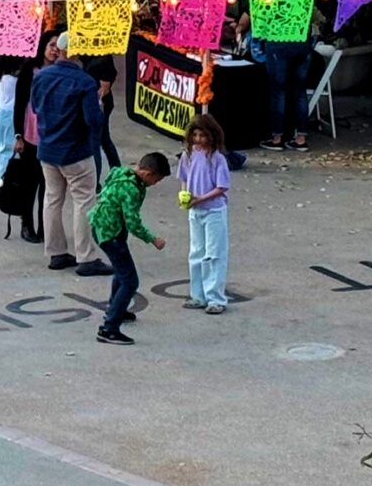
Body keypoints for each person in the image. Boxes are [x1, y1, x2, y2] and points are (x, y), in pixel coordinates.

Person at [28, 33, 107, 276]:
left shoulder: (42, 76)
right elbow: (92, 119)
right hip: (76, 150)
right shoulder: (84, 82)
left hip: (48, 147)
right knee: (84, 201)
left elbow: (35, 106)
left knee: (52, 200)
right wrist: (99, 108)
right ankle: (86, 256)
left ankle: (56, 252)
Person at [91, 152, 171, 346]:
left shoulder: (122, 173)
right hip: (111, 234)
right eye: (156, 180)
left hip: (102, 227)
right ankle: (109, 328)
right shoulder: (131, 189)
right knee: (130, 281)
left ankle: (115, 308)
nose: (155, 184)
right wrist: (153, 239)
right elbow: (133, 222)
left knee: (121, 272)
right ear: (148, 174)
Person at [179, 114, 233, 315]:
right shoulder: (188, 155)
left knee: (214, 254)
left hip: (213, 211)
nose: (198, 139)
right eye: (195, 135)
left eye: (202, 135)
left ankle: (215, 298)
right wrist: (185, 196)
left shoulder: (217, 158)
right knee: (196, 253)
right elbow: (184, 178)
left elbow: (221, 187)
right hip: (195, 210)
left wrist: (199, 198)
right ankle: (198, 295)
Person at [0, 52, 41, 242]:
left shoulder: (2, 68)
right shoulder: (21, 72)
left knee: (3, 152)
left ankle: (3, 183)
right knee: (11, 155)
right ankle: (6, 186)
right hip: (10, 115)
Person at [249, 13, 319, 151]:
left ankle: (277, 138)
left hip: (278, 40)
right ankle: (301, 139)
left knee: (278, 92)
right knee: (300, 92)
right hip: (302, 40)